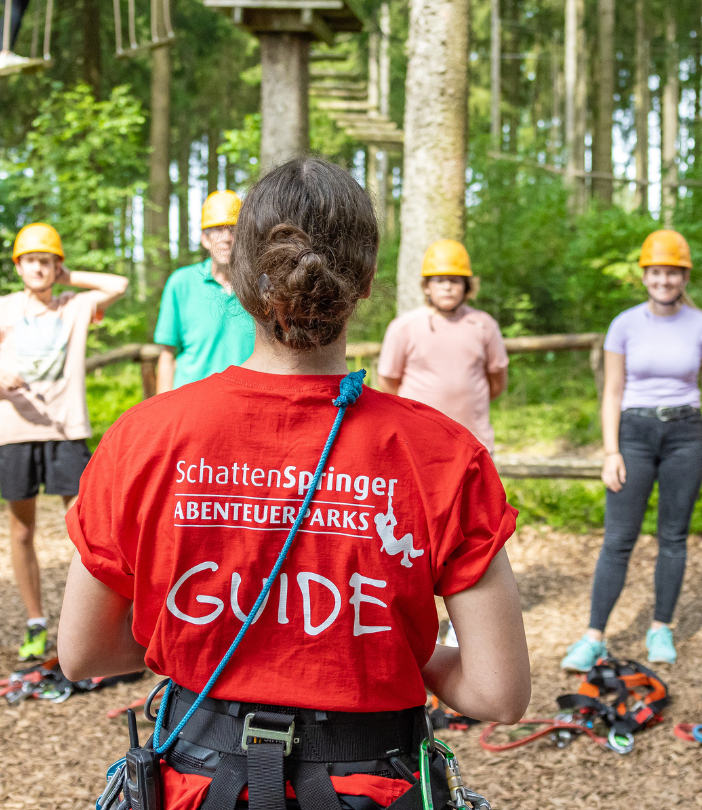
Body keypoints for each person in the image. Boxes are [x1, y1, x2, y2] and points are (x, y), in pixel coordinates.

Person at [57, 157, 530, 810]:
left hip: (198, 784)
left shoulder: (144, 437)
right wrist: (388, 646)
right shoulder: (444, 454)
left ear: (240, 276)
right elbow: (497, 692)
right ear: (366, 279)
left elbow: (83, 653)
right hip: (373, 787)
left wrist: (207, 632)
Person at [560, 228, 702, 671]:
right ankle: (594, 636)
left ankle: (661, 628)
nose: (664, 280)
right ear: (645, 276)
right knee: (618, 539)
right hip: (633, 433)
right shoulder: (625, 325)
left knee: (673, 537)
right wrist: (611, 451)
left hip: (685, 435)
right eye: (656, 272)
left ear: (684, 276)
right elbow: (612, 392)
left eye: (672, 272)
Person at [0, 223, 129, 660]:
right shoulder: (0, 308)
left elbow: (119, 284)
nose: (37, 268)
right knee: (22, 529)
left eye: (46, 261)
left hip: (67, 431)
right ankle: (35, 622)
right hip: (15, 432)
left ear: (56, 266)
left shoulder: (75, 305)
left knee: (87, 529)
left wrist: (67, 276)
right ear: (17, 266)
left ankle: (90, 623)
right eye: (30, 261)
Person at [377, 239, 509, 453]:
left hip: (474, 442)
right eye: (439, 280)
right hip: (419, 442)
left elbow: (497, 381)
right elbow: (388, 381)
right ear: (426, 286)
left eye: (455, 280)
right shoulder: (404, 327)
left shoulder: (484, 325)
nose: (447, 286)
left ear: (466, 286)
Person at [153, 190, 256, 391]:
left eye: (233, 229)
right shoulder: (181, 283)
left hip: (246, 401)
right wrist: (162, 407)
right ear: (205, 239)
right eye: (217, 229)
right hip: (191, 402)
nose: (227, 238)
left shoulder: (259, 286)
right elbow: (167, 356)